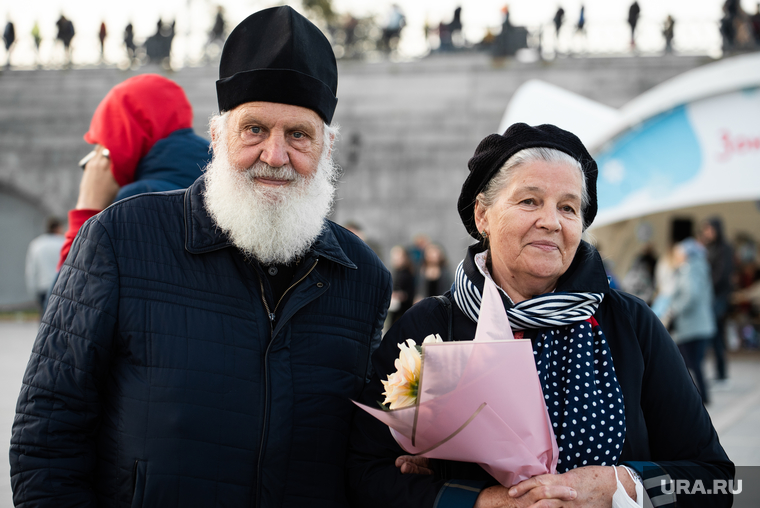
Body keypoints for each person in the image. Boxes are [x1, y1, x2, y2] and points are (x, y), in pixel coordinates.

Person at [10, 6, 391, 507]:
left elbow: (364, 457)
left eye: (298, 135)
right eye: (254, 129)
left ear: (327, 148)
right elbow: (49, 432)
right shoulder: (121, 238)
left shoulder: (362, 277)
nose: (275, 156)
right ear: (217, 137)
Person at [347, 123, 733, 508]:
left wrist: (617, 485)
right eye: (530, 201)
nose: (551, 221)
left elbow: (716, 481)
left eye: (567, 207)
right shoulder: (430, 329)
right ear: (483, 215)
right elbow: (365, 473)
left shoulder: (630, 324)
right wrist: (484, 502)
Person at [56, 73, 211, 270]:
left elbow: (71, 293)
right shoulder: (214, 178)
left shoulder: (135, 201)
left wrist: (87, 210)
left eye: (102, 143)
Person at [668, 238, 715, 406]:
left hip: (691, 325)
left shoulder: (689, 269)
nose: (676, 256)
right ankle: (701, 396)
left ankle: (694, 397)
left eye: (678, 253)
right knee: (694, 363)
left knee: (686, 363)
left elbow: (691, 295)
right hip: (701, 324)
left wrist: (675, 309)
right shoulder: (700, 267)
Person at [699, 217, 734, 385]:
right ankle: (719, 373)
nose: (707, 233)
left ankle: (721, 373)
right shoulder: (708, 247)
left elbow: (722, 274)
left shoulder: (724, 249)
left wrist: (706, 286)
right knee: (715, 334)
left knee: (715, 334)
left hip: (718, 296)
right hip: (710, 297)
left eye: (709, 229)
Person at [25, 217, 65, 315]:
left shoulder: (36, 244)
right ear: (58, 228)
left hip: (42, 287)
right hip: (61, 286)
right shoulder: (63, 243)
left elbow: (31, 269)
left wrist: (33, 289)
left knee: (44, 318)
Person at [389, 245, 416, 324]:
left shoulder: (409, 274)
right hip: (395, 308)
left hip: (404, 309)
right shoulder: (395, 272)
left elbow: (411, 293)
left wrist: (401, 295)